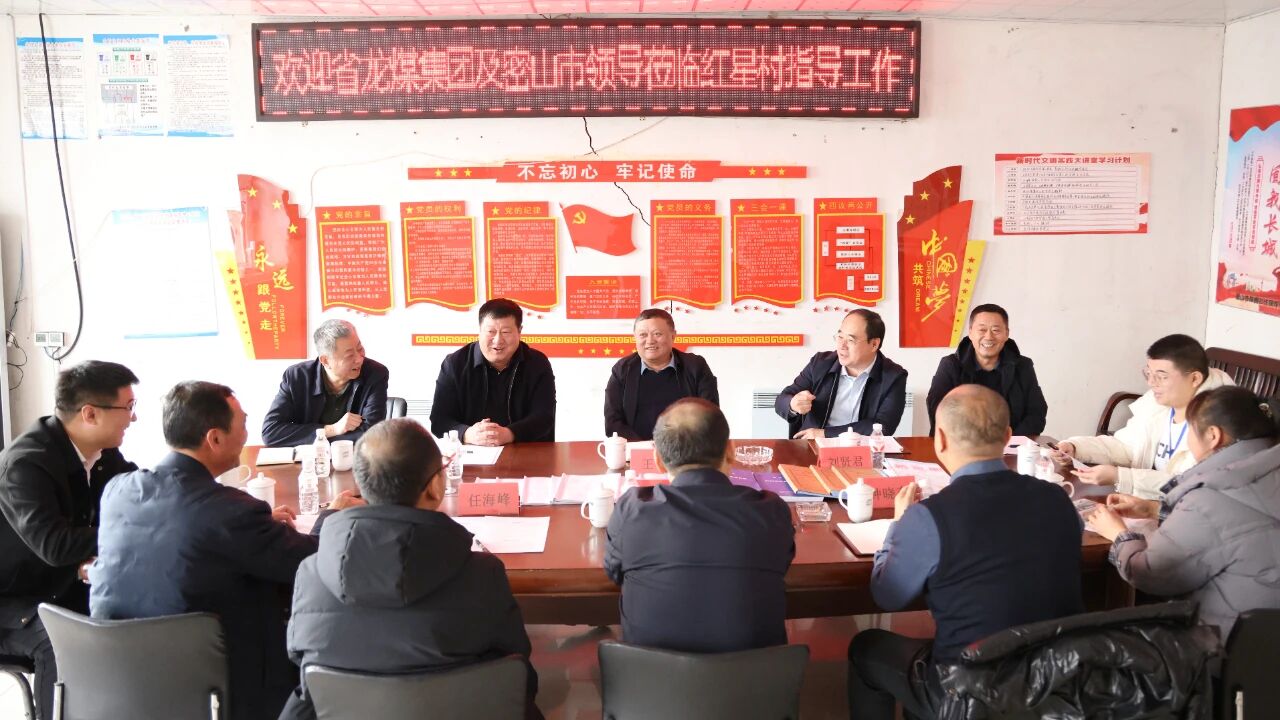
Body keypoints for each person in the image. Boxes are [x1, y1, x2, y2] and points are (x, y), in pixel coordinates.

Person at [90, 382, 358, 720]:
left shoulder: (118, 490)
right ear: (214, 438)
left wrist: (258, 529)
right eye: (243, 424)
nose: (247, 434)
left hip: (124, 679)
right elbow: (310, 562)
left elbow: (186, 534)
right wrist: (331, 515)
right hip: (216, 685)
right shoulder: (231, 512)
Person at [848, 385, 1083, 720]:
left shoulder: (929, 517)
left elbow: (887, 595)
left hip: (969, 694)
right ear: (1008, 436)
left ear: (940, 439)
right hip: (1056, 681)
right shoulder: (1059, 500)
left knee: (866, 647)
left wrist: (899, 524)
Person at [280, 419, 539, 720]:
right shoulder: (482, 574)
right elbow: (519, 677)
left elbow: (305, 673)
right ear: (436, 486)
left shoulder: (310, 575)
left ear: (361, 485)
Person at [0, 361, 138, 719]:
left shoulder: (102, 453)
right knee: (61, 641)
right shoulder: (27, 465)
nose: (133, 418)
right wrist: (132, 532)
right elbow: (55, 545)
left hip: (56, 584)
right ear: (90, 413)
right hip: (12, 600)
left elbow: (141, 494)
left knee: (143, 608)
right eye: (128, 407)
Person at [604, 398, 795, 652]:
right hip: (756, 675)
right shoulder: (770, 511)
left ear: (658, 459)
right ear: (730, 451)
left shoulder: (632, 510)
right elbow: (780, 566)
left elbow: (614, 572)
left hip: (650, 675)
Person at [1088, 386, 1280, 637]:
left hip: (1229, 644)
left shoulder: (1209, 496)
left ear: (1213, 436)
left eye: (1190, 429)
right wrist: (1153, 509)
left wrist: (1118, 534)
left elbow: (1151, 573)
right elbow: (1238, 526)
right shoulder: (1267, 467)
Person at [1057, 334, 1234, 500]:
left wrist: (1120, 476)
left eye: (1161, 376)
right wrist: (1076, 447)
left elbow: (1188, 483)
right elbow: (1127, 447)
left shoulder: (1217, 423)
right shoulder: (1158, 403)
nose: (1151, 383)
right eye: (1148, 374)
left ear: (1195, 379)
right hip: (1146, 502)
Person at [430, 298, 557, 445]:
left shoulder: (537, 363)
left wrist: (509, 434)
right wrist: (467, 434)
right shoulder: (455, 364)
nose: (497, 340)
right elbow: (440, 420)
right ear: (480, 330)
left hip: (526, 451)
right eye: (490, 331)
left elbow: (544, 417)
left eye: (506, 332)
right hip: (472, 453)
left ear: (519, 331)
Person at [776, 309, 908, 439]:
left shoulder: (894, 376)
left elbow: (884, 426)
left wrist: (825, 434)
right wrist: (793, 404)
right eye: (840, 337)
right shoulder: (820, 363)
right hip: (813, 445)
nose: (842, 346)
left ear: (874, 344)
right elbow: (781, 400)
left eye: (850, 340)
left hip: (860, 448)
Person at [261, 319, 389, 447]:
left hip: (353, 457)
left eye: (360, 348)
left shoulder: (375, 374)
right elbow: (271, 432)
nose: (359, 359)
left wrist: (317, 440)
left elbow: (372, 434)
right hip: (308, 458)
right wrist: (331, 430)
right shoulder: (297, 377)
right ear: (326, 361)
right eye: (349, 356)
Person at [925, 303, 1048, 436]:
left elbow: (1037, 413)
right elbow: (937, 411)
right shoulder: (950, 365)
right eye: (982, 330)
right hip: (962, 443)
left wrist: (1009, 441)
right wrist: (975, 442)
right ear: (970, 332)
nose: (989, 336)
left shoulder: (1023, 366)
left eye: (996, 330)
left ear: (1006, 334)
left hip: (1012, 443)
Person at [603, 308, 719, 440]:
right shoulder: (622, 370)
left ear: (673, 336)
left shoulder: (695, 366)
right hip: (636, 449)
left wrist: (679, 447)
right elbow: (613, 423)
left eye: (657, 334)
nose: (650, 341)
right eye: (643, 335)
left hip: (687, 448)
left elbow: (710, 415)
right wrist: (644, 448)